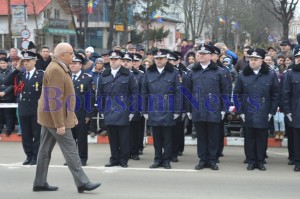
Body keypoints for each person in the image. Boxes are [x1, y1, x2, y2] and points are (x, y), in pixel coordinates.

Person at [33, 42, 101, 193]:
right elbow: (55, 100)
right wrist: (60, 124)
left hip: (50, 116)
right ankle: (82, 182)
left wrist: (72, 114)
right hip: (55, 118)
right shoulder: (56, 70)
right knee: (71, 150)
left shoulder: (59, 67)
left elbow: (64, 97)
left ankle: (39, 182)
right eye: (71, 53)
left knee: (44, 151)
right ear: (63, 55)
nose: (73, 55)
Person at [234, 48, 280, 171]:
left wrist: (271, 112)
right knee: (249, 138)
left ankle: (260, 161)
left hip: (264, 111)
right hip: (248, 111)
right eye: (251, 59)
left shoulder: (270, 75)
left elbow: (275, 94)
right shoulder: (243, 74)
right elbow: (236, 94)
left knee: (261, 138)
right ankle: (251, 161)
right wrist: (240, 111)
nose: (253, 62)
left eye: (256, 60)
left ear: (262, 61)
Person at [186, 44, 228, 171]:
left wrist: (223, 108)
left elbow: (225, 90)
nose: (202, 56)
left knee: (213, 136)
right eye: (200, 54)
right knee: (201, 136)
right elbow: (187, 92)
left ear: (210, 56)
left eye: (204, 54)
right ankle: (202, 159)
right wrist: (188, 109)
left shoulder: (219, 71)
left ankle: (212, 160)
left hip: (213, 108)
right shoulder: (192, 71)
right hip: (198, 108)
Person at [142, 49, 181, 169]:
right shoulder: (149, 73)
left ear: (166, 59)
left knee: (168, 138)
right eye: (157, 58)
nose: (158, 61)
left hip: (168, 108)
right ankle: (157, 159)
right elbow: (144, 92)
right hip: (153, 108)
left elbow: (178, 93)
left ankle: (167, 160)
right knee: (157, 138)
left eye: (161, 58)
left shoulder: (173, 73)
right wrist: (144, 110)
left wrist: (177, 110)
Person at [99, 50, 139, 168]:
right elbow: (100, 94)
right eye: (111, 59)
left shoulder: (128, 75)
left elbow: (134, 94)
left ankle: (123, 159)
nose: (113, 61)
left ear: (121, 61)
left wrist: (132, 110)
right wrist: (101, 110)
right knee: (113, 137)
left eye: (116, 59)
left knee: (124, 138)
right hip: (109, 109)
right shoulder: (104, 74)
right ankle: (114, 159)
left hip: (123, 110)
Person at [5, 51, 43, 165]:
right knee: (26, 135)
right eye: (24, 61)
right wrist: (17, 68)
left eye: (28, 61)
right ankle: (29, 155)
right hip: (23, 109)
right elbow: (7, 81)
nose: (26, 63)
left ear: (34, 61)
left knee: (37, 135)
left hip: (36, 110)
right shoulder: (20, 74)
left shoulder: (41, 75)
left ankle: (35, 157)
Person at [69, 53, 94, 166]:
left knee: (81, 138)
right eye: (71, 63)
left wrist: (88, 114)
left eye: (75, 63)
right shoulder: (66, 77)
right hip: (68, 113)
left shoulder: (87, 78)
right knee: (70, 139)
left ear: (80, 65)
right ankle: (71, 159)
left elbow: (90, 97)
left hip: (81, 113)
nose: (72, 65)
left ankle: (82, 158)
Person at [283, 48, 300, 172]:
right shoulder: (290, 73)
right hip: (296, 111)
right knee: (296, 138)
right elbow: (286, 94)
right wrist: (288, 111)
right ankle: (297, 161)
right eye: (298, 57)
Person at [0, 57, 14, 137]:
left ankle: (9, 129)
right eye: (1, 63)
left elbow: (12, 85)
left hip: (8, 96)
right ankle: (0, 128)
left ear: (7, 64)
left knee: (8, 114)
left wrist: (4, 92)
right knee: (1, 114)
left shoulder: (11, 72)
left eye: (4, 63)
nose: (2, 65)